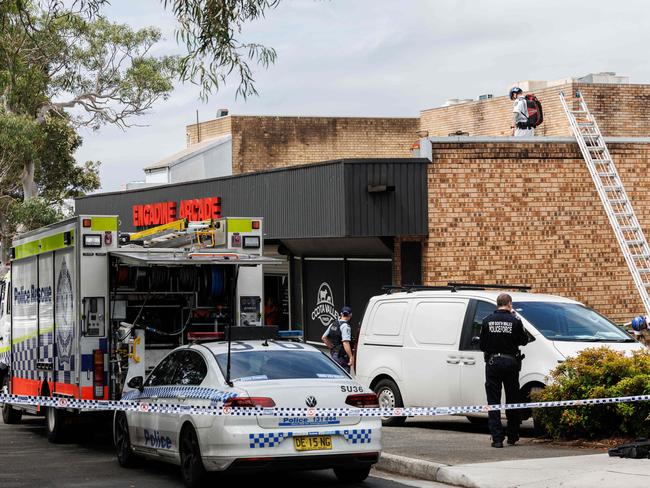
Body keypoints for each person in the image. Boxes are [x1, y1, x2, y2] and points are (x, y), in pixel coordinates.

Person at [480, 293, 529, 448]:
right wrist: (517, 320)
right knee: (512, 399)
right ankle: (513, 435)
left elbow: (482, 345)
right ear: (509, 304)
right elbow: (524, 340)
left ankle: (497, 439)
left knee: (493, 402)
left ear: (497, 304)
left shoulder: (487, 321)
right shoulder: (515, 321)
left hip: (493, 363)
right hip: (511, 363)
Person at [321, 306, 354, 373]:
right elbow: (345, 342)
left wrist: (332, 347)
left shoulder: (333, 324)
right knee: (344, 377)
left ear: (341, 314)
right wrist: (351, 357)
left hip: (334, 354)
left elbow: (324, 338)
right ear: (350, 315)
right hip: (342, 356)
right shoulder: (345, 326)